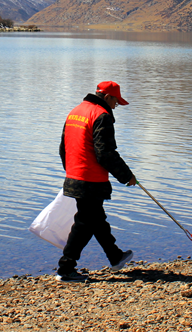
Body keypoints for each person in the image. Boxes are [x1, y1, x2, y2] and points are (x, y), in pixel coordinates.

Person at [56, 81, 137, 282]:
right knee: (84, 223)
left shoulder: (76, 111)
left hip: (75, 175)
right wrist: (126, 176)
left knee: (95, 219)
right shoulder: (102, 116)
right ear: (107, 97)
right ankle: (65, 268)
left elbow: (63, 147)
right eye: (116, 102)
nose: (115, 106)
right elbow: (105, 153)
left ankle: (115, 257)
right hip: (91, 179)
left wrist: (71, 171)